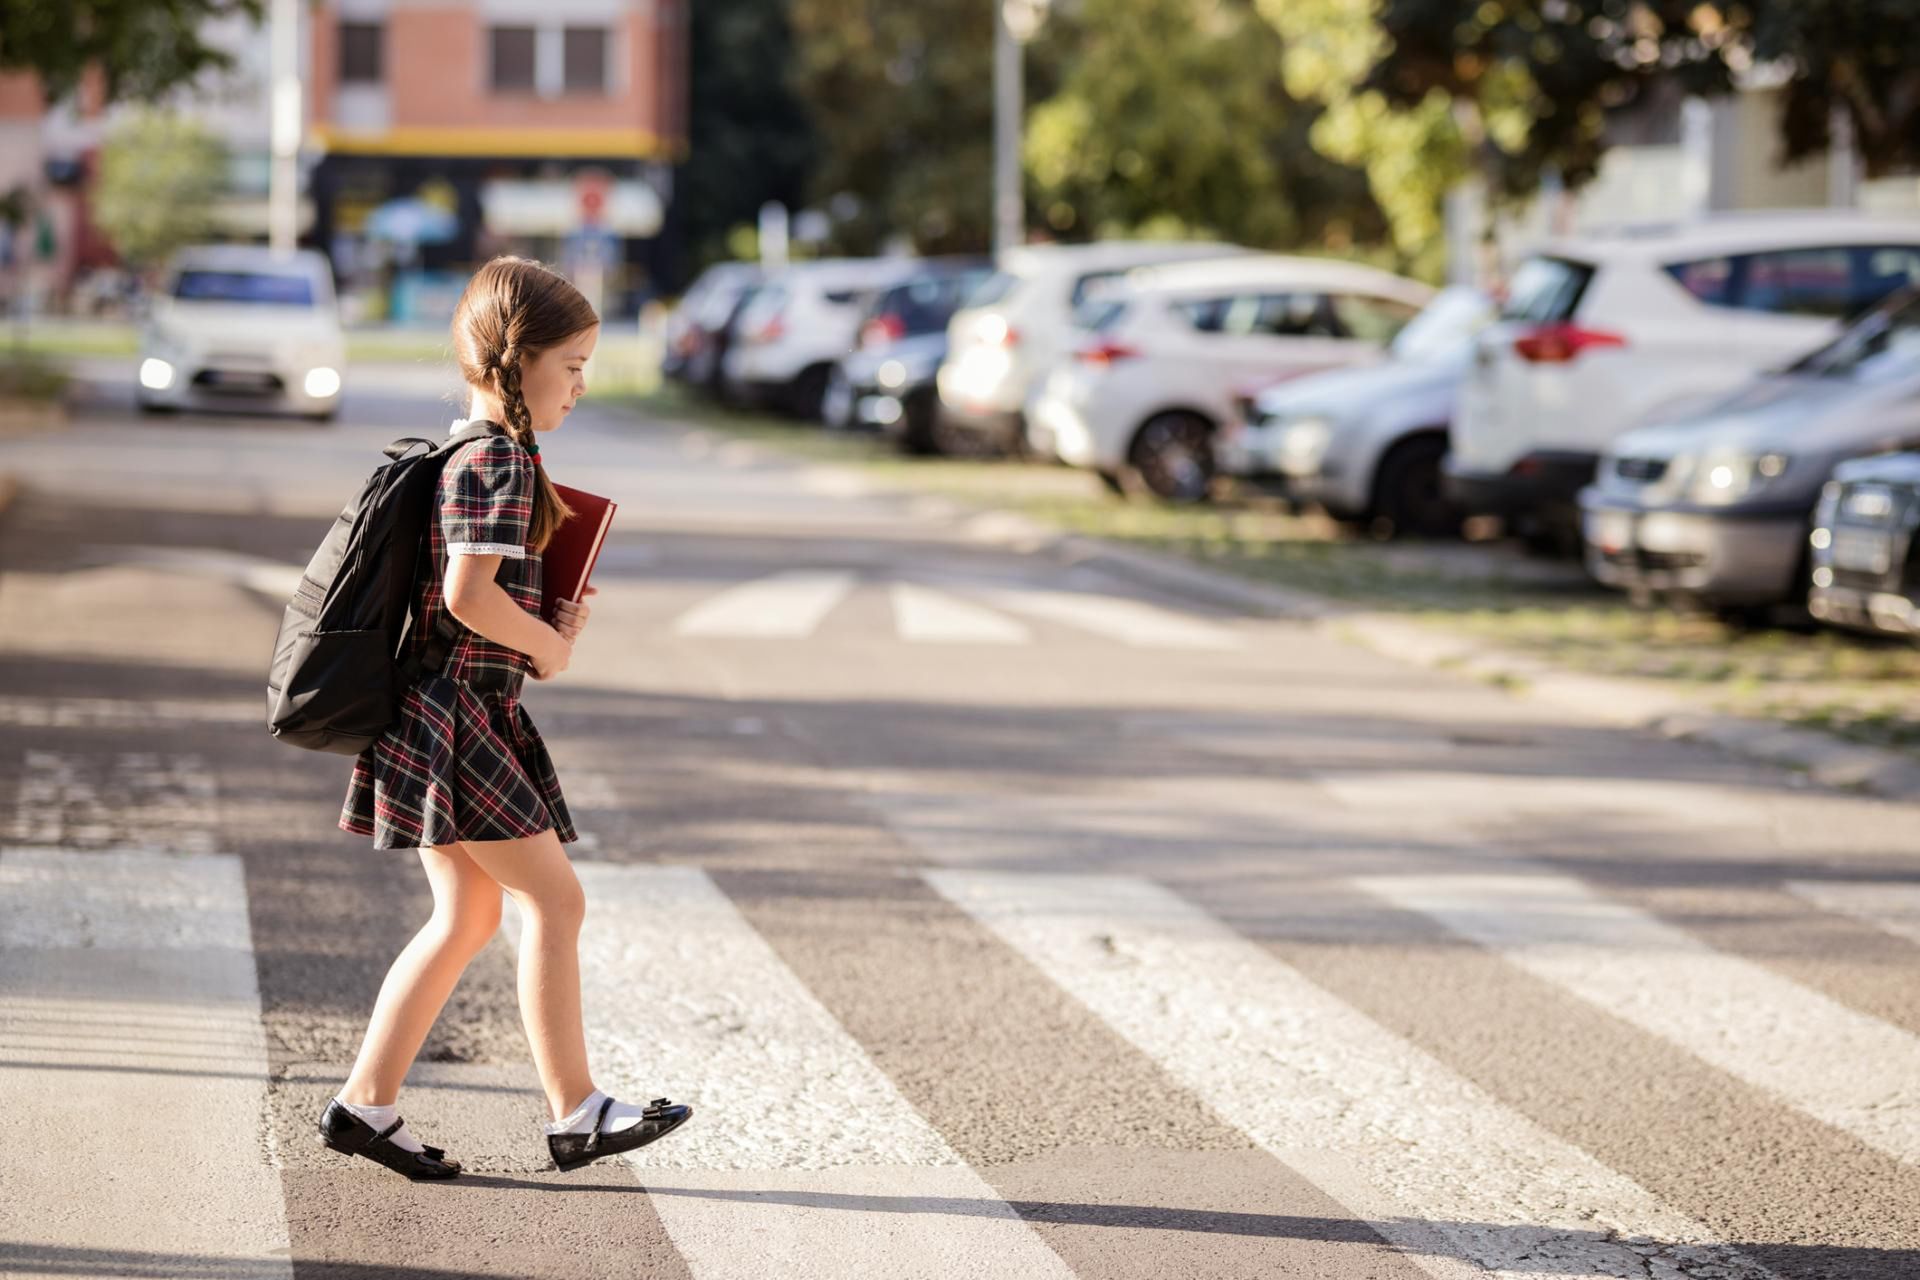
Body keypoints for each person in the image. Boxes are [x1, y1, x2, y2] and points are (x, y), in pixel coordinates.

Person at [317, 256, 692, 1181]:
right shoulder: (497, 461)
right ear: (518, 362)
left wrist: (544, 629)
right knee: (555, 902)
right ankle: (577, 1112)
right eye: (572, 364)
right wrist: (548, 644)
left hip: (442, 709)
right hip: (458, 720)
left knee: (467, 916)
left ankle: (364, 1105)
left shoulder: (471, 453)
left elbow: (473, 605)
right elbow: (469, 595)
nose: (581, 384)